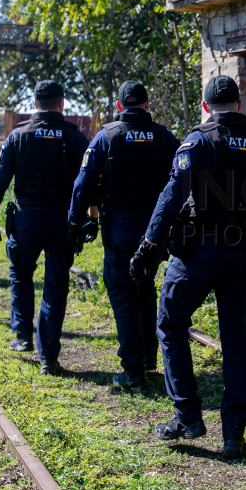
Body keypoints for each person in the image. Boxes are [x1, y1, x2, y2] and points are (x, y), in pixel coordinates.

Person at [129, 75, 246, 458]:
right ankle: (234, 436)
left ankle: (188, 417)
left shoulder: (199, 140)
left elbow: (171, 195)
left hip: (199, 252)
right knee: (236, 342)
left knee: (170, 323)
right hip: (241, 253)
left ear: (205, 106)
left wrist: (149, 245)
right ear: (240, 106)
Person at [67, 81, 179, 392]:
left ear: (119, 107)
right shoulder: (166, 137)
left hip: (119, 230)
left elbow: (83, 184)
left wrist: (75, 223)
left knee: (122, 295)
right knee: (145, 289)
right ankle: (147, 358)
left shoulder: (107, 137)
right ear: (147, 104)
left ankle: (133, 370)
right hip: (155, 232)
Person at [0, 80, 90, 376]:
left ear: (35, 103)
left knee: (20, 272)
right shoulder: (75, 137)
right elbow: (90, 183)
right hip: (61, 222)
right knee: (56, 286)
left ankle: (21, 337)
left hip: (26, 221)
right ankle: (48, 357)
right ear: (61, 103)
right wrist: (90, 217)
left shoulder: (18, 136)